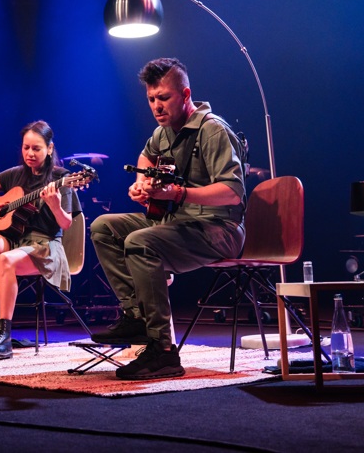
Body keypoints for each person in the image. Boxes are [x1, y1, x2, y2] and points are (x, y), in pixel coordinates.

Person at [90, 57, 247, 380]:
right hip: (178, 224)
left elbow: (233, 192)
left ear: (185, 94)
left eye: (164, 98)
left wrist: (178, 194)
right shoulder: (162, 133)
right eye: (151, 99)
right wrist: (141, 185)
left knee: (139, 242)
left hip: (219, 228)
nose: (157, 106)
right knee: (104, 227)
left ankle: (162, 351)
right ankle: (136, 317)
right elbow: (146, 156)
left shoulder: (212, 129)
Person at [0, 120, 82, 359]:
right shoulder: (15, 175)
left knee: (6, 260)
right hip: (17, 240)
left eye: (36, 148)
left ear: (50, 148)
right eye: (26, 147)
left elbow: (66, 223)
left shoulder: (62, 178)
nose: (30, 153)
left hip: (46, 246)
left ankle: (4, 335)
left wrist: (55, 205)